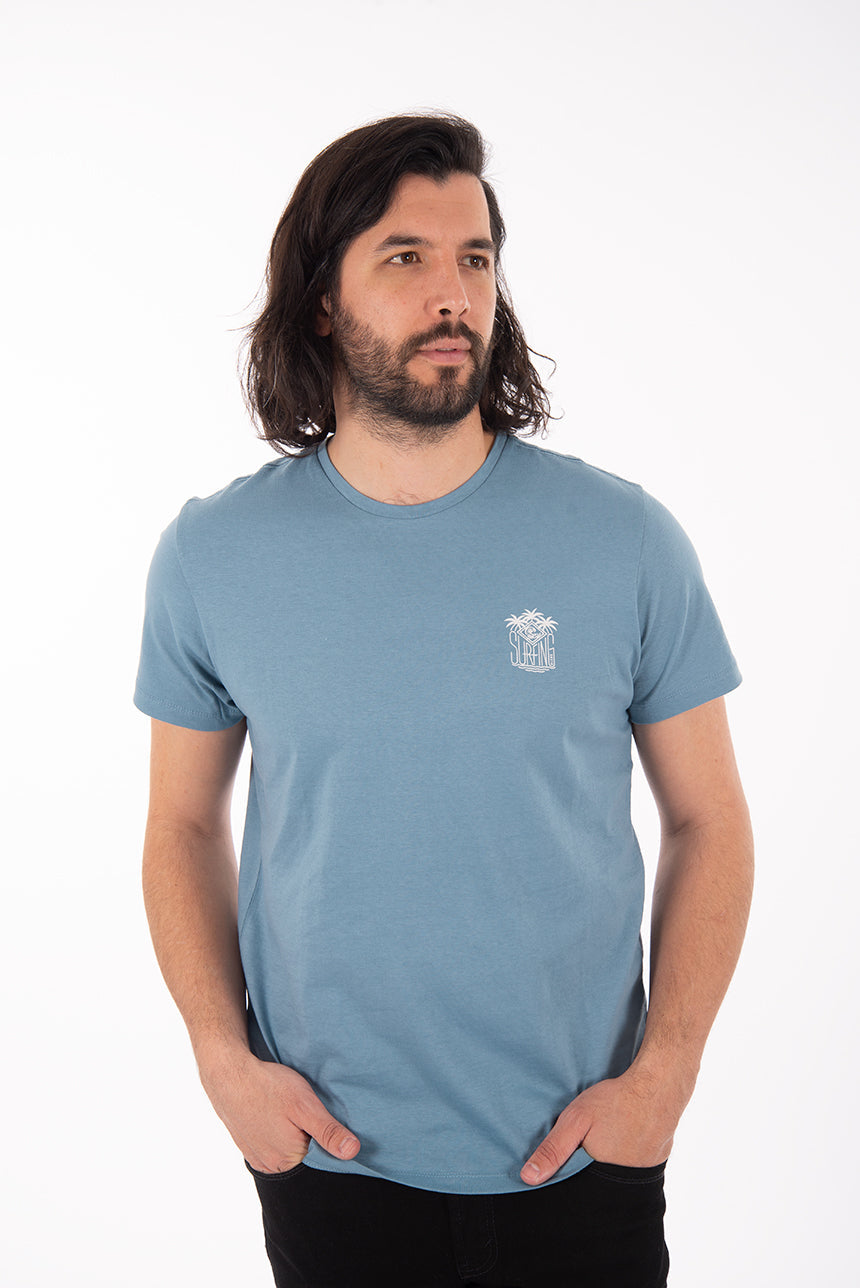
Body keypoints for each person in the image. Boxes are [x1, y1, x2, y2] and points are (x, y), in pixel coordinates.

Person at [134, 112, 753, 1287]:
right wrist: (223, 1061)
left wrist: (663, 1078)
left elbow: (707, 817)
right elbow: (179, 825)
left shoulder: (623, 539)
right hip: (328, 1161)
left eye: (473, 257)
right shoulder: (213, 555)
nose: (453, 294)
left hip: (584, 1159)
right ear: (322, 300)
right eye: (404, 257)